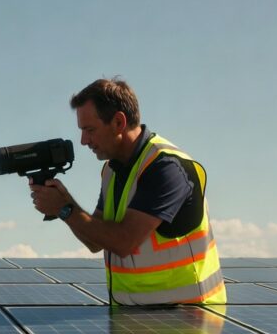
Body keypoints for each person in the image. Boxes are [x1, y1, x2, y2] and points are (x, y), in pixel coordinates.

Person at [30, 77, 226, 305]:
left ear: (119, 122)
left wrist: (64, 209)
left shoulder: (165, 167)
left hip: (187, 321)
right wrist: (64, 201)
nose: (84, 141)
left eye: (90, 130)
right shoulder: (112, 170)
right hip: (137, 320)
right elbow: (95, 241)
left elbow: (124, 242)